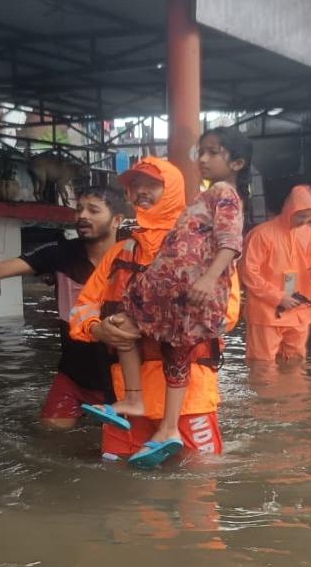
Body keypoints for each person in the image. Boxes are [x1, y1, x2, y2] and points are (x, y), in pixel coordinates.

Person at [83, 129, 247, 467]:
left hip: (191, 399)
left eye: (151, 185)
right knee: (115, 478)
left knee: (199, 484)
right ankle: (135, 401)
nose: (141, 193)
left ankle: (168, 426)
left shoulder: (204, 242)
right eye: (135, 186)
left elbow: (226, 316)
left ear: (170, 188)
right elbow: (83, 308)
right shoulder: (121, 251)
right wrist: (97, 329)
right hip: (128, 392)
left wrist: (166, 317)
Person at [0, 186, 127, 430]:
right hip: (73, 377)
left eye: (93, 210)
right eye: (79, 209)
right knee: (49, 435)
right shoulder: (60, 254)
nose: (82, 216)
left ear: (117, 220)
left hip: (122, 380)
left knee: (118, 449)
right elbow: (1, 269)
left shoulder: (134, 255)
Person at [240, 185, 311, 362]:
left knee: (296, 361)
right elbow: (248, 273)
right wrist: (278, 297)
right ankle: (266, 390)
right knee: (262, 363)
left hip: (299, 309)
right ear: (289, 210)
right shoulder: (261, 234)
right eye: (300, 216)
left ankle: (293, 390)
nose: (304, 221)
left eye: (308, 217)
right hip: (266, 312)